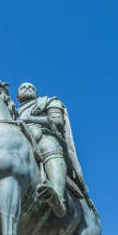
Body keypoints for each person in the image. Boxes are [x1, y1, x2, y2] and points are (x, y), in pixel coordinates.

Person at [16, 82, 88, 218]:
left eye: (31, 87)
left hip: (42, 135)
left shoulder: (48, 101)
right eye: (23, 88)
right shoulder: (13, 111)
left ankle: (58, 198)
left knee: (50, 146)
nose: (27, 89)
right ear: (18, 95)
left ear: (36, 92)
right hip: (18, 138)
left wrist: (30, 119)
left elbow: (57, 121)